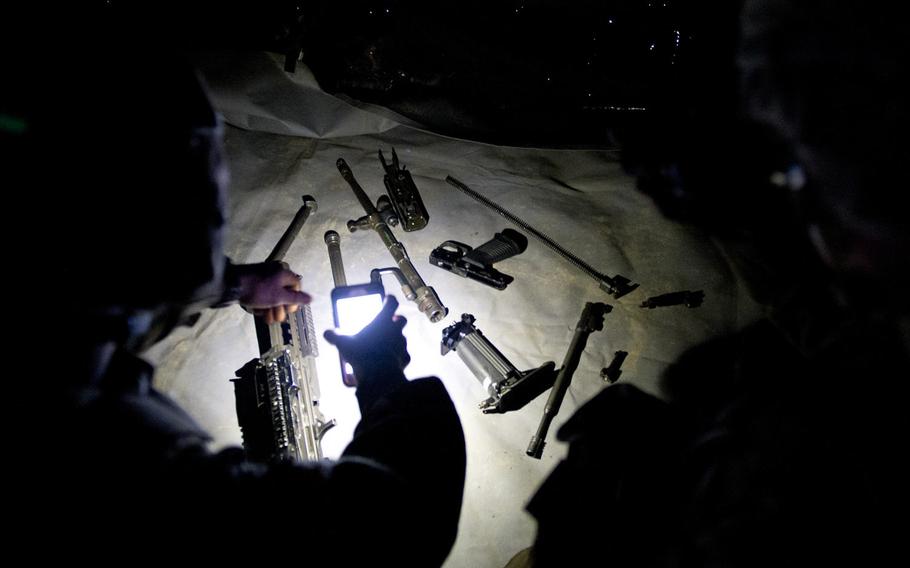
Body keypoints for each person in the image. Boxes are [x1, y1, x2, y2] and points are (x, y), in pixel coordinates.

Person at [12, 26, 465, 565]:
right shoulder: (101, 449)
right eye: (200, 214)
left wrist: (231, 283)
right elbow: (391, 525)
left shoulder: (56, 305)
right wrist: (384, 374)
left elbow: (113, 270)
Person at [515, 1, 910, 566]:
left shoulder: (839, 470)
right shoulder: (876, 324)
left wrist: (617, 500)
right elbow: (835, 327)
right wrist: (741, 219)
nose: (826, 230)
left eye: (815, 177)